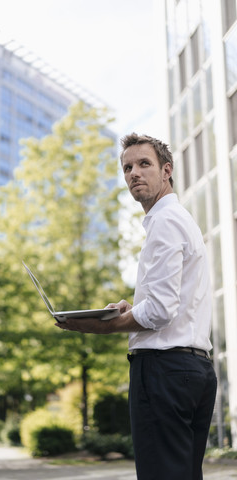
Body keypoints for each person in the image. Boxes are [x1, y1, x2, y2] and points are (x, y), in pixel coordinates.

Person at [55, 133, 217, 480]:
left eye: (144, 164)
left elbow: (159, 313)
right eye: (127, 167)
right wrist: (133, 307)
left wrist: (100, 326)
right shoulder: (180, 220)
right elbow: (175, 301)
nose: (134, 174)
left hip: (164, 372)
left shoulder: (164, 221)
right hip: (193, 371)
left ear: (167, 170)